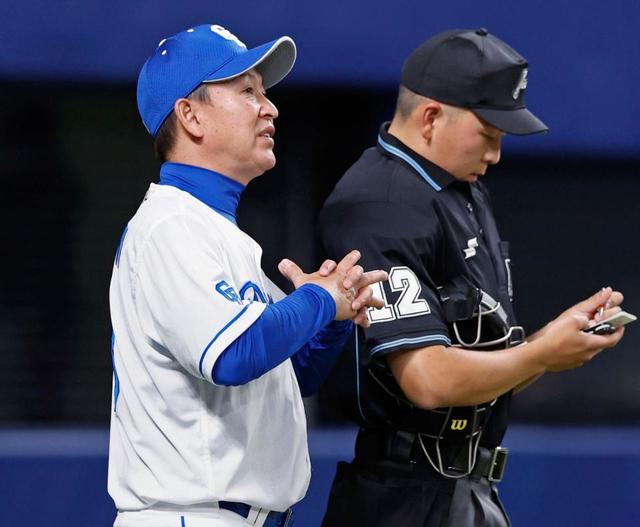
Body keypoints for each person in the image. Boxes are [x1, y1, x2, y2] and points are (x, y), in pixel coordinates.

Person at [318, 28, 626, 527]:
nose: (496, 153)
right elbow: (426, 379)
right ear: (431, 117)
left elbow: (485, 363)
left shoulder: (459, 188)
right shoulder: (380, 201)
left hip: (465, 490)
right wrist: (542, 353)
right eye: (488, 134)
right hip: (400, 499)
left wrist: (555, 339)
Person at [108, 24, 386, 527]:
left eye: (264, 92)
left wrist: (333, 317)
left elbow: (279, 380)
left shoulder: (214, 233)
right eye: (246, 91)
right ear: (190, 115)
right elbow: (233, 356)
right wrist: (318, 301)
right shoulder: (171, 227)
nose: (270, 107)